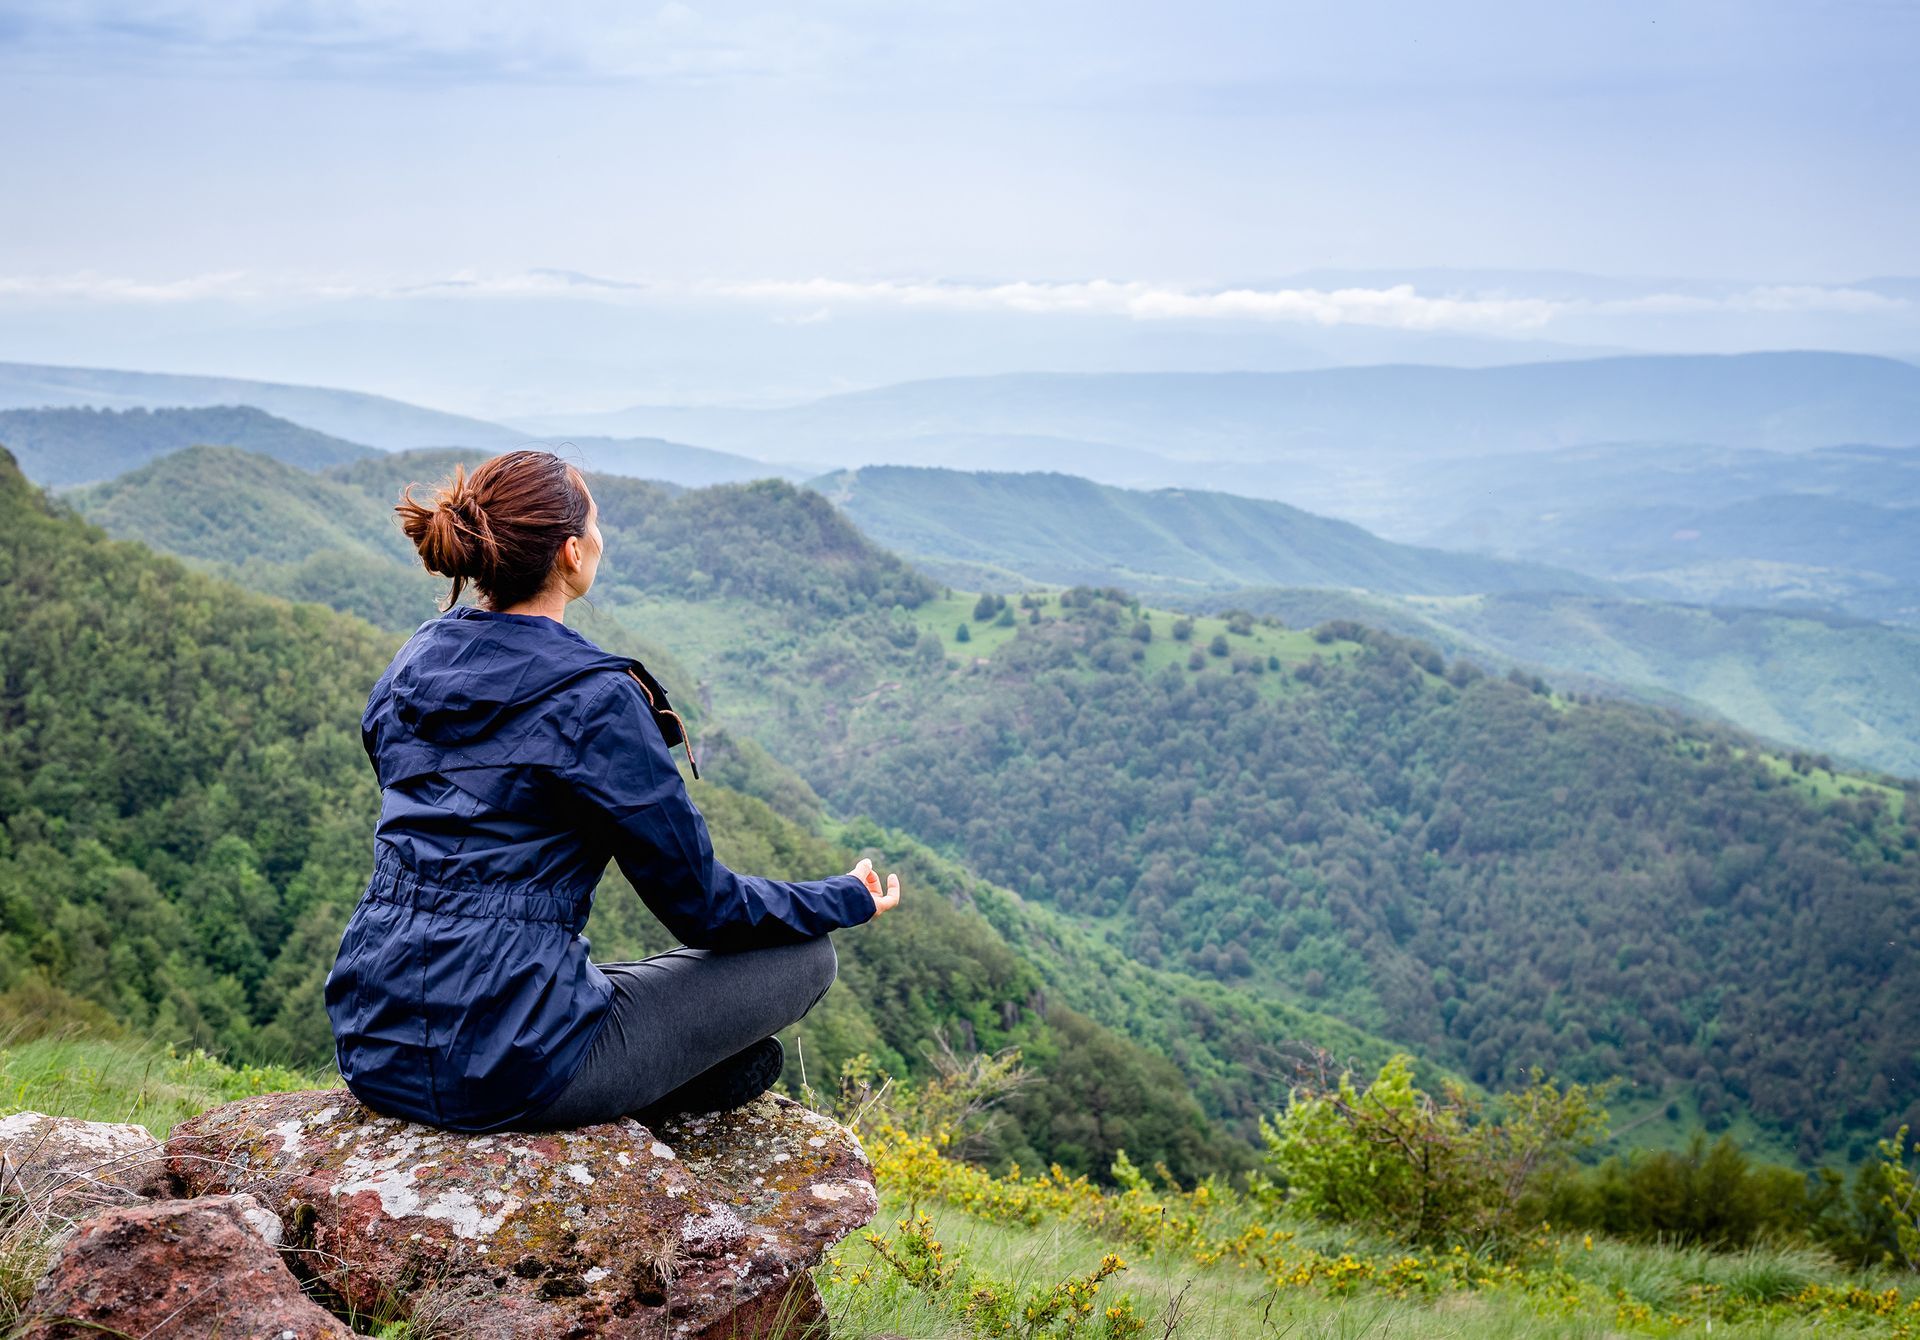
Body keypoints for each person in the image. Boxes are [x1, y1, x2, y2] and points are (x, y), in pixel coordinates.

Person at [324, 448, 901, 1133]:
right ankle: (654, 1077)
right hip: (512, 1070)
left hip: (373, 1043)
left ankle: (653, 1068)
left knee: (613, 992)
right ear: (571, 553)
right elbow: (705, 910)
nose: (601, 537)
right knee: (807, 956)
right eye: (595, 524)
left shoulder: (411, 665)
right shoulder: (593, 701)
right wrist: (842, 898)